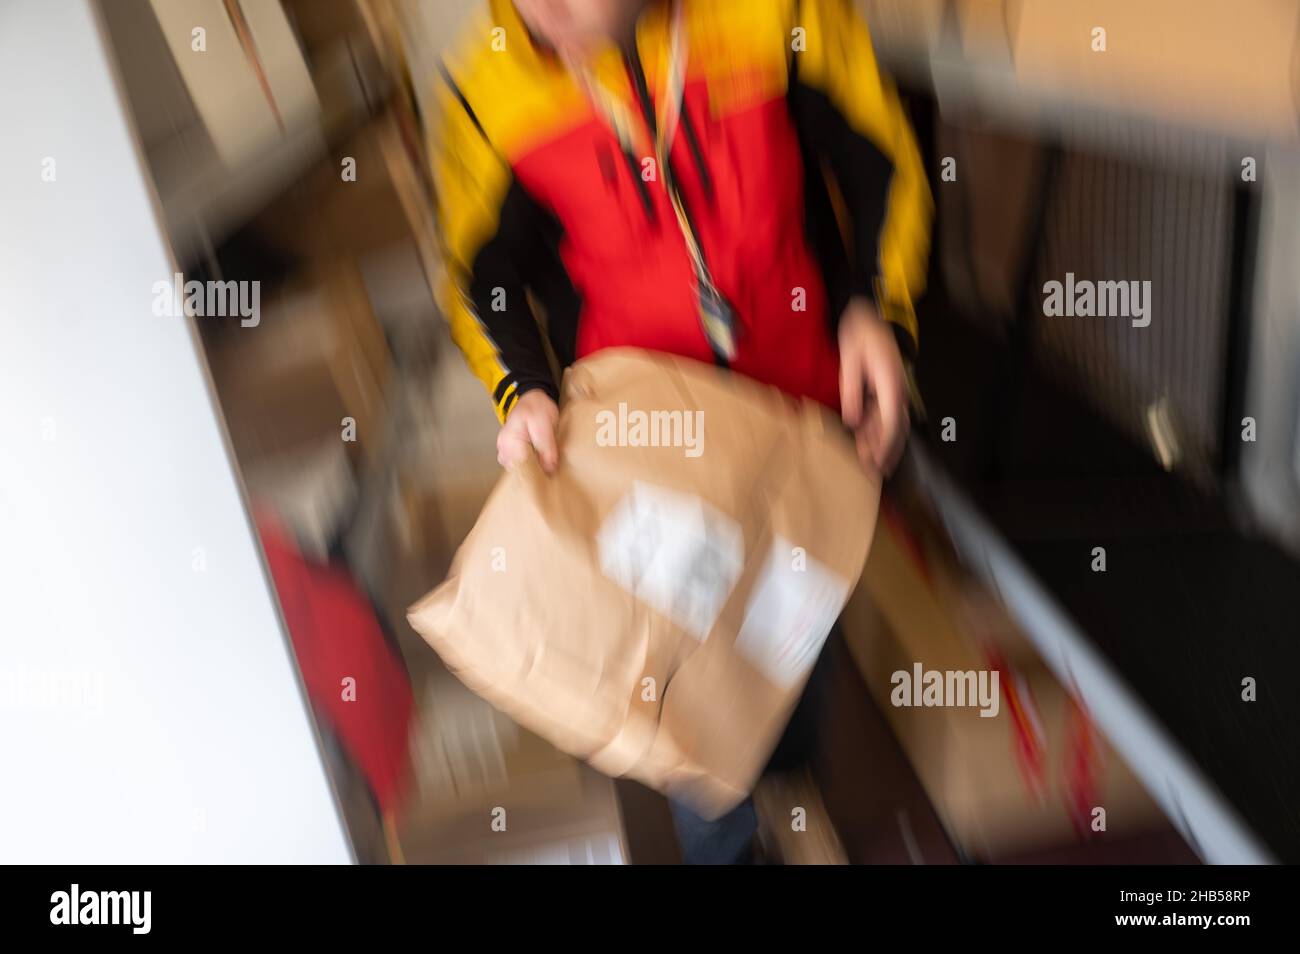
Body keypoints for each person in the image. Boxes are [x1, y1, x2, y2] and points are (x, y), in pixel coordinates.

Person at [428, 0, 932, 863]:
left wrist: (875, 311)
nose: (541, 8)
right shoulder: (489, 85)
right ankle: (726, 844)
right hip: (649, 459)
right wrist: (527, 391)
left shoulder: (778, 16)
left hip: (803, 429)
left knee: (792, 650)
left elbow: (884, 159)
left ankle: (789, 785)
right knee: (688, 693)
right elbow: (481, 275)